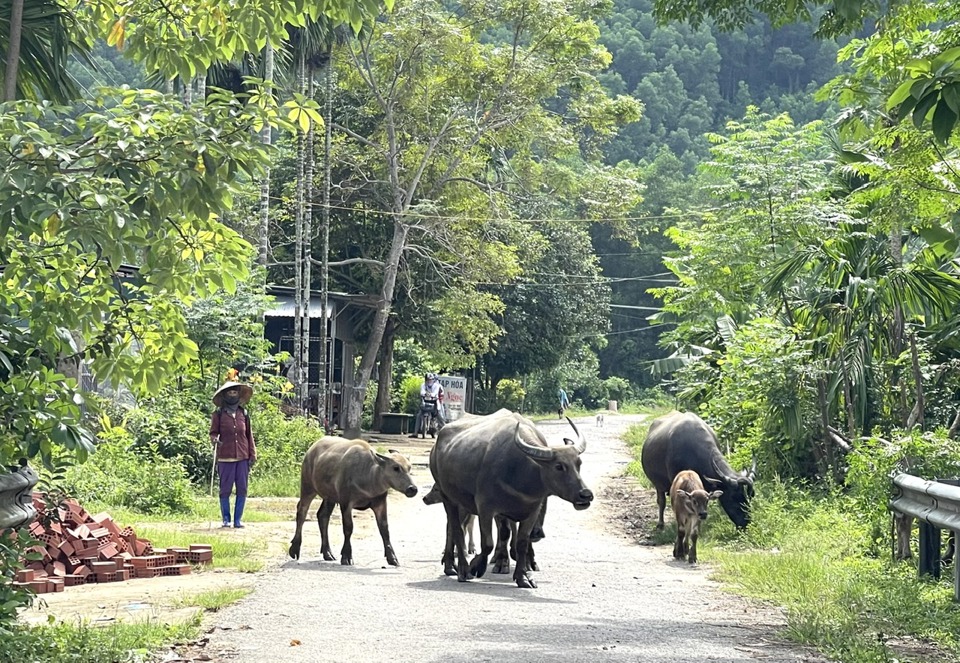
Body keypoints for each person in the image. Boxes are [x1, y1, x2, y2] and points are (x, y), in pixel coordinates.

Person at [210, 381, 257, 528]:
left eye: (235, 392)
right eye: (229, 393)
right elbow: (213, 433)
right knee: (225, 489)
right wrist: (215, 439)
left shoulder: (244, 414)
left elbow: (249, 435)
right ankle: (226, 519)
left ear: (238, 395)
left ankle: (237, 520)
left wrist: (252, 454)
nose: (232, 395)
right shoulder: (218, 414)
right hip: (225, 457)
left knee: (242, 488)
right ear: (224, 396)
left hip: (242, 457)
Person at [411, 372, 445, 438]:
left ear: (433, 380)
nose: (429, 381)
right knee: (418, 415)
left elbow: (435, 393)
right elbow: (422, 392)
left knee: (440, 417)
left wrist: (431, 394)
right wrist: (424, 394)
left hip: (435, 403)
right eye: (428, 380)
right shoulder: (423, 385)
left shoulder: (436, 386)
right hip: (425, 403)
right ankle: (415, 433)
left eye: (431, 379)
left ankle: (446, 433)